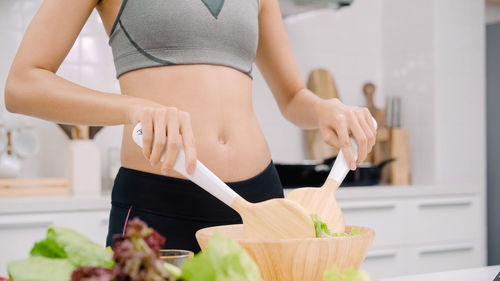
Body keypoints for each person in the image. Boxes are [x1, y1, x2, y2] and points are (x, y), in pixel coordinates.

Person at [4, 0, 376, 252]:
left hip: (265, 202)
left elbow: (293, 96)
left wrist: (325, 108)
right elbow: (23, 85)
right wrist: (133, 107)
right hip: (161, 203)